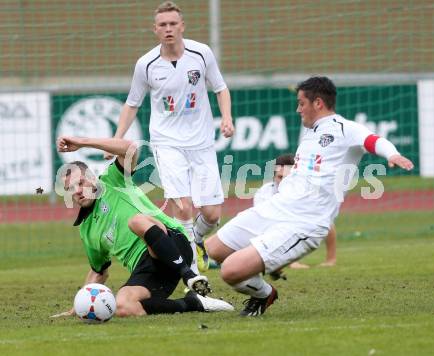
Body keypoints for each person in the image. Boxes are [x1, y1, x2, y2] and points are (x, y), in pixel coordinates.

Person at [205, 76, 414, 316]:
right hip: (276, 209)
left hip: (304, 223)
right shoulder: (310, 134)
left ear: (318, 103)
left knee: (229, 271)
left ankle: (264, 294)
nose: (297, 109)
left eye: (301, 103)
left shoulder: (345, 128)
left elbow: (374, 141)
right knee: (212, 249)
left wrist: (392, 155)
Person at [106, 1, 234, 272]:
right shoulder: (146, 64)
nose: (168, 29)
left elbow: (221, 88)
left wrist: (227, 118)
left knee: (212, 213)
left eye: (173, 24)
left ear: (182, 26)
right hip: (167, 142)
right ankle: (194, 275)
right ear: (155, 30)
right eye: (162, 25)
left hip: (201, 142)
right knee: (183, 206)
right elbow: (132, 104)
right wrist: (117, 139)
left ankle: (195, 240)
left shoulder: (201, 54)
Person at [52, 135, 234, 318]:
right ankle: (193, 303)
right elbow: (98, 272)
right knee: (121, 306)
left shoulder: (112, 181)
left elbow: (130, 148)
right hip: (150, 270)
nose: (77, 191)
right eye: (70, 189)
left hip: (173, 244)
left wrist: (83, 143)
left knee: (136, 221)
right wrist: (78, 306)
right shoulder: (86, 231)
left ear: (92, 178)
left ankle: (189, 276)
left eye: (81, 183)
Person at [254, 153, 337, 270]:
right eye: (279, 177)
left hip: (302, 221)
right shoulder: (263, 194)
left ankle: (331, 259)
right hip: (273, 228)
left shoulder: (308, 191)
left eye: (287, 177)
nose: (283, 181)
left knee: (325, 220)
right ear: (273, 176)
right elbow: (263, 226)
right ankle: (284, 261)